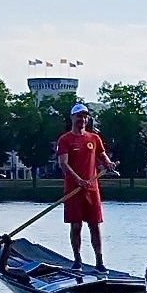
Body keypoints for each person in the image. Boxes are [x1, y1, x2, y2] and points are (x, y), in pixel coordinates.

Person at [56, 102, 116, 272]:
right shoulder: (65, 139)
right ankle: (77, 260)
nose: (82, 119)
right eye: (79, 116)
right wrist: (79, 180)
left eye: (84, 116)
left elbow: (102, 155)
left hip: (92, 189)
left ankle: (99, 262)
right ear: (72, 118)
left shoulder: (94, 138)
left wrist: (108, 163)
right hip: (73, 190)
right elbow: (63, 164)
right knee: (76, 226)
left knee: (95, 226)